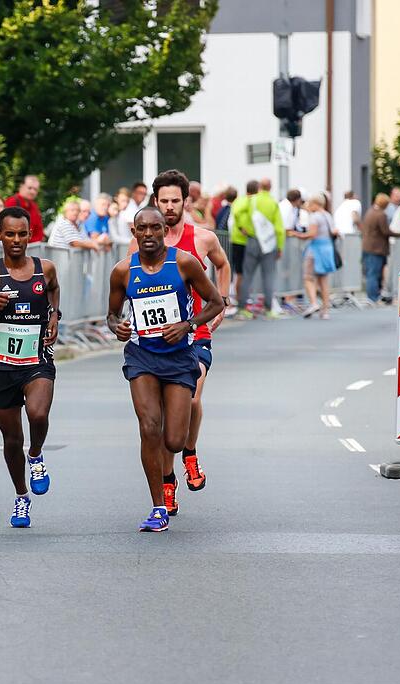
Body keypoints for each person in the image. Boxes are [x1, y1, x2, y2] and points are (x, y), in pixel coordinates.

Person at [108, 206, 223, 532]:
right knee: (149, 427)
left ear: (164, 230)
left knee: (172, 440)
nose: (148, 234)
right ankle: (158, 506)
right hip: (141, 356)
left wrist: (188, 325)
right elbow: (112, 314)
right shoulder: (122, 271)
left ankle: (181, 458)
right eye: (141, 229)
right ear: (134, 233)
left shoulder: (184, 262)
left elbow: (216, 302)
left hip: (178, 358)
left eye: (154, 228)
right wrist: (118, 327)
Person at [130, 169, 231, 515]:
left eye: (176, 201)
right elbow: (129, 281)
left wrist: (223, 299)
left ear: (186, 202)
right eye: (164, 201)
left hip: (194, 332)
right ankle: (168, 480)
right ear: (155, 202)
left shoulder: (202, 238)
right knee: (155, 421)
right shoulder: (142, 240)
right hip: (151, 343)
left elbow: (222, 265)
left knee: (191, 397)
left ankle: (189, 451)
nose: (170, 207)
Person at [0, 206, 60, 528]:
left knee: (38, 414)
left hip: (37, 360)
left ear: (30, 235)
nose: (17, 240)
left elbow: (54, 292)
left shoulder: (45, 269)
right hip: (2, 364)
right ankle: (20, 496)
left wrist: (55, 315)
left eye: (22, 234)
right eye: (10, 234)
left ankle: (37, 455)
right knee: (11, 440)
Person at [232, 179, 284, 319]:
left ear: (260, 187)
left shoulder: (251, 200)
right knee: (268, 276)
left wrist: (243, 227)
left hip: (253, 240)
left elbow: (237, 211)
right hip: (269, 243)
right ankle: (268, 309)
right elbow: (279, 227)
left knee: (247, 275)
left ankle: (242, 308)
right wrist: (280, 246)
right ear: (270, 188)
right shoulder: (273, 203)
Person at [291, 193, 338, 319]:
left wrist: (296, 234)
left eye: (311, 204)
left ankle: (313, 303)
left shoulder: (315, 217)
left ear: (316, 204)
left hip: (315, 249)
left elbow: (312, 234)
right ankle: (325, 310)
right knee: (324, 280)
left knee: (308, 277)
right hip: (327, 248)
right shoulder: (328, 215)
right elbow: (334, 231)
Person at [361, 193, 400, 303]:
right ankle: (373, 297)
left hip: (367, 246)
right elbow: (386, 231)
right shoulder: (381, 215)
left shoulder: (370, 211)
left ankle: (372, 296)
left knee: (370, 272)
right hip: (377, 248)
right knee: (374, 273)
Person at [4, 175, 44, 243]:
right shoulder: (12, 202)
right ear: (21, 186)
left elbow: (39, 232)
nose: (32, 192)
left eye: (35, 189)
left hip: (32, 248)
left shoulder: (34, 206)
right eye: (29, 188)